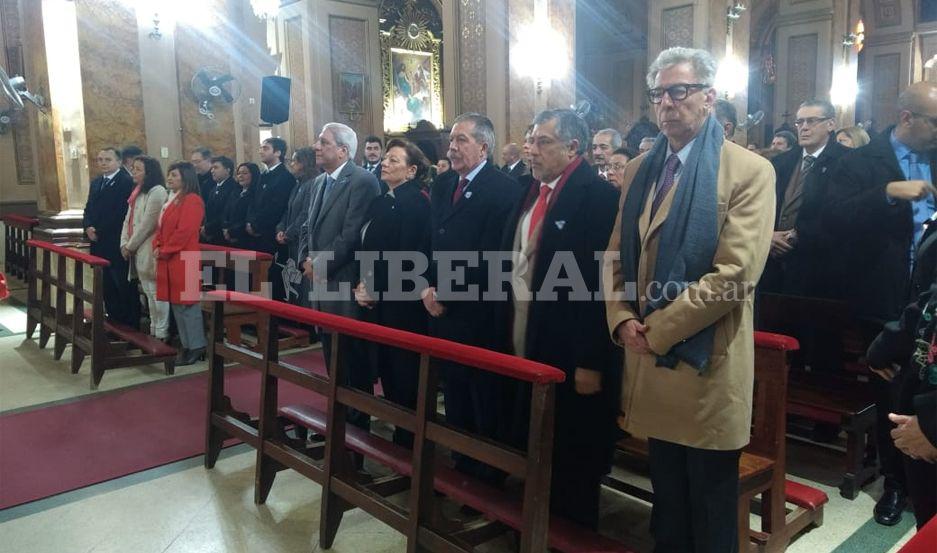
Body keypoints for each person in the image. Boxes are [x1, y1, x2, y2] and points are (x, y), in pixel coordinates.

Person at [604, 47, 775, 553]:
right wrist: (620, 319)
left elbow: (734, 275)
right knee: (669, 502)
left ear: (708, 97)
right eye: (659, 93)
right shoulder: (639, 168)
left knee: (709, 506)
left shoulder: (747, 170)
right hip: (647, 358)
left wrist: (655, 331)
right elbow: (614, 255)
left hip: (704, 362)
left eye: (679, 91)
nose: (667, 104)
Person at [498, 108, 620, 528]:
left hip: (572, 347)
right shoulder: (527, 190)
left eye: (542, 142)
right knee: (535, 439)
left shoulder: (598, 197)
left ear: (573, 147)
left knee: (575, 449)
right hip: (526, 333)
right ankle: (534, 523)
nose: (531, 149)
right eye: (530, 140)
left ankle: (571, 531)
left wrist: (591, 360)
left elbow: (601, 284)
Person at [825, 81, 937, 526]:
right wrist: (888, 192)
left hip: (932, 303)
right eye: (934, 121)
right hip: (885, 299)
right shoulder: (861, 161)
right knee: (893, 394)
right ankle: (895, 483)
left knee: (928, 394)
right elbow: (832, 219)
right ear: (907, 117)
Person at [422, 112, 521, 485]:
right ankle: (461, 465)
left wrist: (446, 292)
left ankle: (488, 477)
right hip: (441, 309)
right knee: (455, 392)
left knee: (484, 396)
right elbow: (435, 241)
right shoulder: (445, 182)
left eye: (462, 140)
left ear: (484, 146)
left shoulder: (504, 189)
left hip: (479, 312)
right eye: (451, 139)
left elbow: (494, 258)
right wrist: (427, 286)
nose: (452, 146)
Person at [302, 123, 380, 435]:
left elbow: (351, 236)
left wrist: (319, 265)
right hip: (321, 283)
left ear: (344, 150)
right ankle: (339, 419)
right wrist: (306, 259)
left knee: (351, 360)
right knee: (331, 356)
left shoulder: (361, 180)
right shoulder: (320, 181)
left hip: (343, 282)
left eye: (324, 142)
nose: (316, 147)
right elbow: (310, 227)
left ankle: (357, 427)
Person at [354, 138, 432, 448]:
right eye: (385, 159)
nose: (385, 163)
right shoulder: (381, 201)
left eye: (394, 160)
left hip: (404, 303)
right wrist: (365, 284)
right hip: (378, 299)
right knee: (386, 368)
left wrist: (377, 289)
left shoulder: (417, 203)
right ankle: (398, 430)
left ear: (412, 171)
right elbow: (369, 248)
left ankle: (410, 439)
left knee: (405, 373)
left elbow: (410, 257)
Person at [760, 99, 848, 297]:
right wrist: (767, 235)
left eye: (812, 121)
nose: (804, 128)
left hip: (817, 264)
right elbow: (763, 205)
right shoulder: (782, 161)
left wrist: (798, 234)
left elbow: (842, 212)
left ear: (831, 124)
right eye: (800, 122)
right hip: (772, 261)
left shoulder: (847, 161)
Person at [154, 161, 206, 367]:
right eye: (169, 174)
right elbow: (160, 228)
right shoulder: (172, 199)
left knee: (188, 305)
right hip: (171, 258)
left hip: (186, 258)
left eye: (174, 175)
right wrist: (157, 244)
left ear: (186, 177)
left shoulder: (192, 200)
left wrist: (164, 249)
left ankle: (197, 346)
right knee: (177, 305)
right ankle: (186, 345)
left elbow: (185, 231)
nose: (169, 178)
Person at [83, 147, 140, 328]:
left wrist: (98, 229)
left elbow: (121, 213)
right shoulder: (96, 182)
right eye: (100, 160)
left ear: (118, 162)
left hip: (115, 241)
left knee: (122, 284)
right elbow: (89, 208)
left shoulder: (126, 181)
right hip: (98, 242)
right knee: (106, 285)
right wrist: (88, 226)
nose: (103, 163)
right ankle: (114, 321)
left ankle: (129, 324)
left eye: (107, 160)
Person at [120, 155, 169, 341]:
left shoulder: (157, 191)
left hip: (149, 247)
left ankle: (161, 332)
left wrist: (130, 245)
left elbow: (148, 224)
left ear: (149, 172)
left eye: (138, 169)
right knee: (148, 292)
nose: (133, 172)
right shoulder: (138, 192)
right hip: (137, 248)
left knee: (157, 293)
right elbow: (128, 220)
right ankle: (153, 329)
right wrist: (124, 243)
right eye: (133, 168)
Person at [247, 137, 295, 300]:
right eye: (261, 147)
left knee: (269, 279)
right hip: (256, 233)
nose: (261, 151)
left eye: (266, 148)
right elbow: (253, 201)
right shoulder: (264, 174)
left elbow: (277, 208)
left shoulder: (285, 177)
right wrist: (250, 222)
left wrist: (257, 225)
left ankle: (269, 318)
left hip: (271, 234)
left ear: (278, 152)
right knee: (256, 277)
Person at [276, 147, 319, 303]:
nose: (291, 164)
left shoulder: (313, 183)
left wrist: (289, 233)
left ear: (304, 163)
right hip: (292, 241)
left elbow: (306, 214)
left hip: (302, 242)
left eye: (294, 161)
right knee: (294, 285)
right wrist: (280, 229)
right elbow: (288, 210)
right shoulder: (298, 184)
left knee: (304, 288)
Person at [222, 162, 260, 251]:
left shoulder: (256, 194)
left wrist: (232, 232)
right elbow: (225, 213)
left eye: (245, 173)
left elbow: (248, 218)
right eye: (238, 173)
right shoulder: (234, 193)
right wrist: (225, 229)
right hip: (229, 239)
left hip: (246, 240)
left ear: (254, 175)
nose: (240, 176)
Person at [201, 156, 238, 246]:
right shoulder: (214, 188)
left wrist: (208, 228)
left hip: (224, 236)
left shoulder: (234, 188)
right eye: (212, 168)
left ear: (227, 170)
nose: (212, 171)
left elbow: (225, 213)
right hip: (211, 235)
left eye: (216, 167)